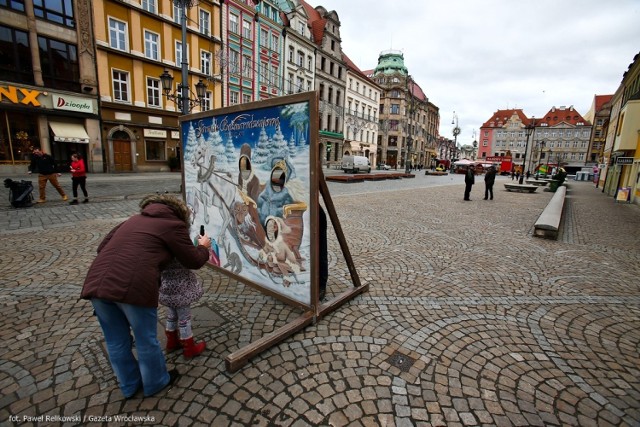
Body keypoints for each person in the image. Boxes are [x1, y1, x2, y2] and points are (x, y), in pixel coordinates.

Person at [81, 194, 211, 399]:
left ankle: (129, 385)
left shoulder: (132, 219)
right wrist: (203, 246)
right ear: (179, 213)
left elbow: (101, 248)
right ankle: (155, 382)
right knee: (145, 338)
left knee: (115, 341)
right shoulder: (173, 224)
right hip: (133, 287)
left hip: (97, 284)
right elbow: (193, 260)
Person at [160, 259, 206, 358]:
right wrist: (203, 247)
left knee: (171, 314)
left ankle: (172, 342)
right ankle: (189, 347)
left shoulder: (160, 245)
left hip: (167, 286)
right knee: (184, 319)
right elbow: (193, 259)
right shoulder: (177, 244)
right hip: (181, 289)